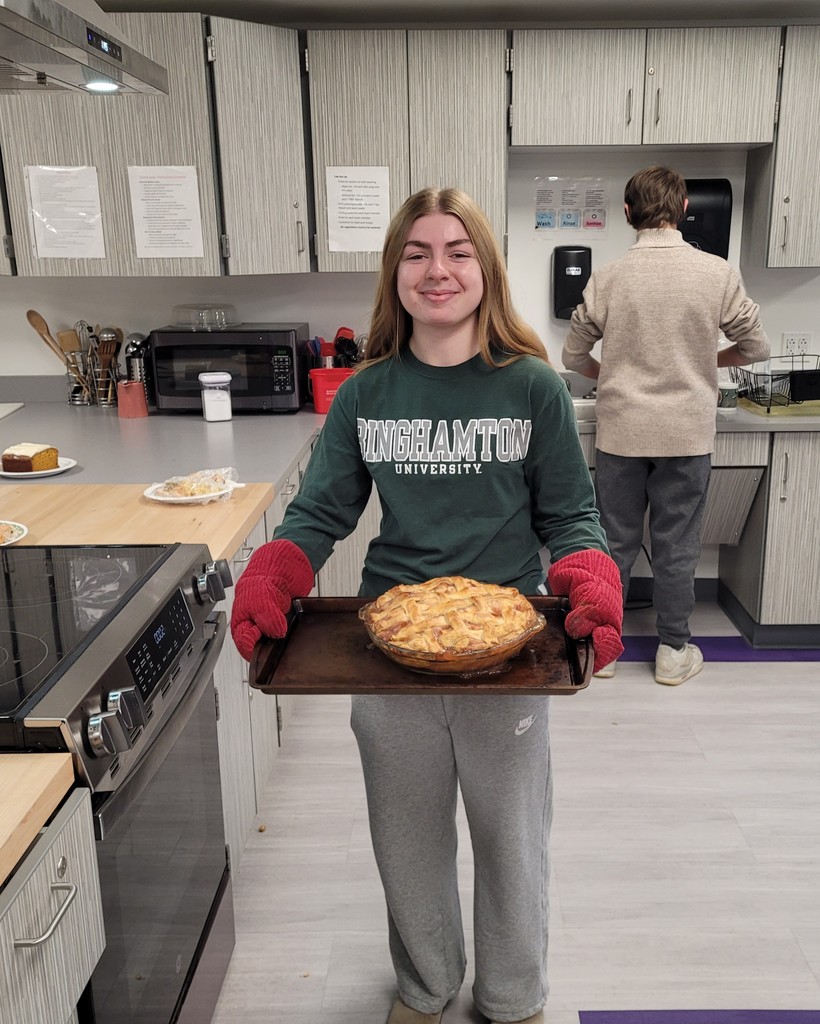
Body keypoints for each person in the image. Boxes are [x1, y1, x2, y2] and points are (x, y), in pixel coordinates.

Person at [231, 187, 623, 1024]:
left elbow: (570, 515)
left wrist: (590, 574)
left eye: (457, 252)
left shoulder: (533, 388)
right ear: (394, 273)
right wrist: (276, 570)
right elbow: (320, 511)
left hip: (511, 654)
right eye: (416, 254)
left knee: (512, 840)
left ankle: (513, 997)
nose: (437, 270)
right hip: (389, 650)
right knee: (406, 841)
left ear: (485, 270)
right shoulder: (367, 393)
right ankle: (425, 986)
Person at [562, 165, 770, 685]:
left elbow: (572, 357)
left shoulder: (608, 277)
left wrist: (614, 372)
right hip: (686, 434)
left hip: (621, 433)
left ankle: (603, 649)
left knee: (614, 541)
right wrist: (705, 363)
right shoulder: (716, 273)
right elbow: (756, 347)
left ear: (627, 212)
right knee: (677, 545)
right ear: (683, 210)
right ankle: (674, 652)